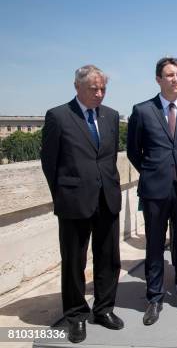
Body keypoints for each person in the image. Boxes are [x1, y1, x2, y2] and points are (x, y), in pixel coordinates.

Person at [40, 65, 123, 343]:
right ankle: (75, 315)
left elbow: (108, 158)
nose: (99, 93)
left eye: (103, 89)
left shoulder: (111, 116)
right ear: (77, 87)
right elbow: (49, 163)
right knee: (74, 261)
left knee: (109, 258)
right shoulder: (58, 116)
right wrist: (63, 194)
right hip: (74, 201)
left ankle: (104, 309)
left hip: (107, 199)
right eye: (93, 89)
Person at [127, 57, 177, 325]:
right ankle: (155, 298)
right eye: (169, 75)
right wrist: (153, 170)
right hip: (155, 189)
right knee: (155, 245)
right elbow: (133, 151)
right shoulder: (142, 110)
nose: (175, 79)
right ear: (158, 79)